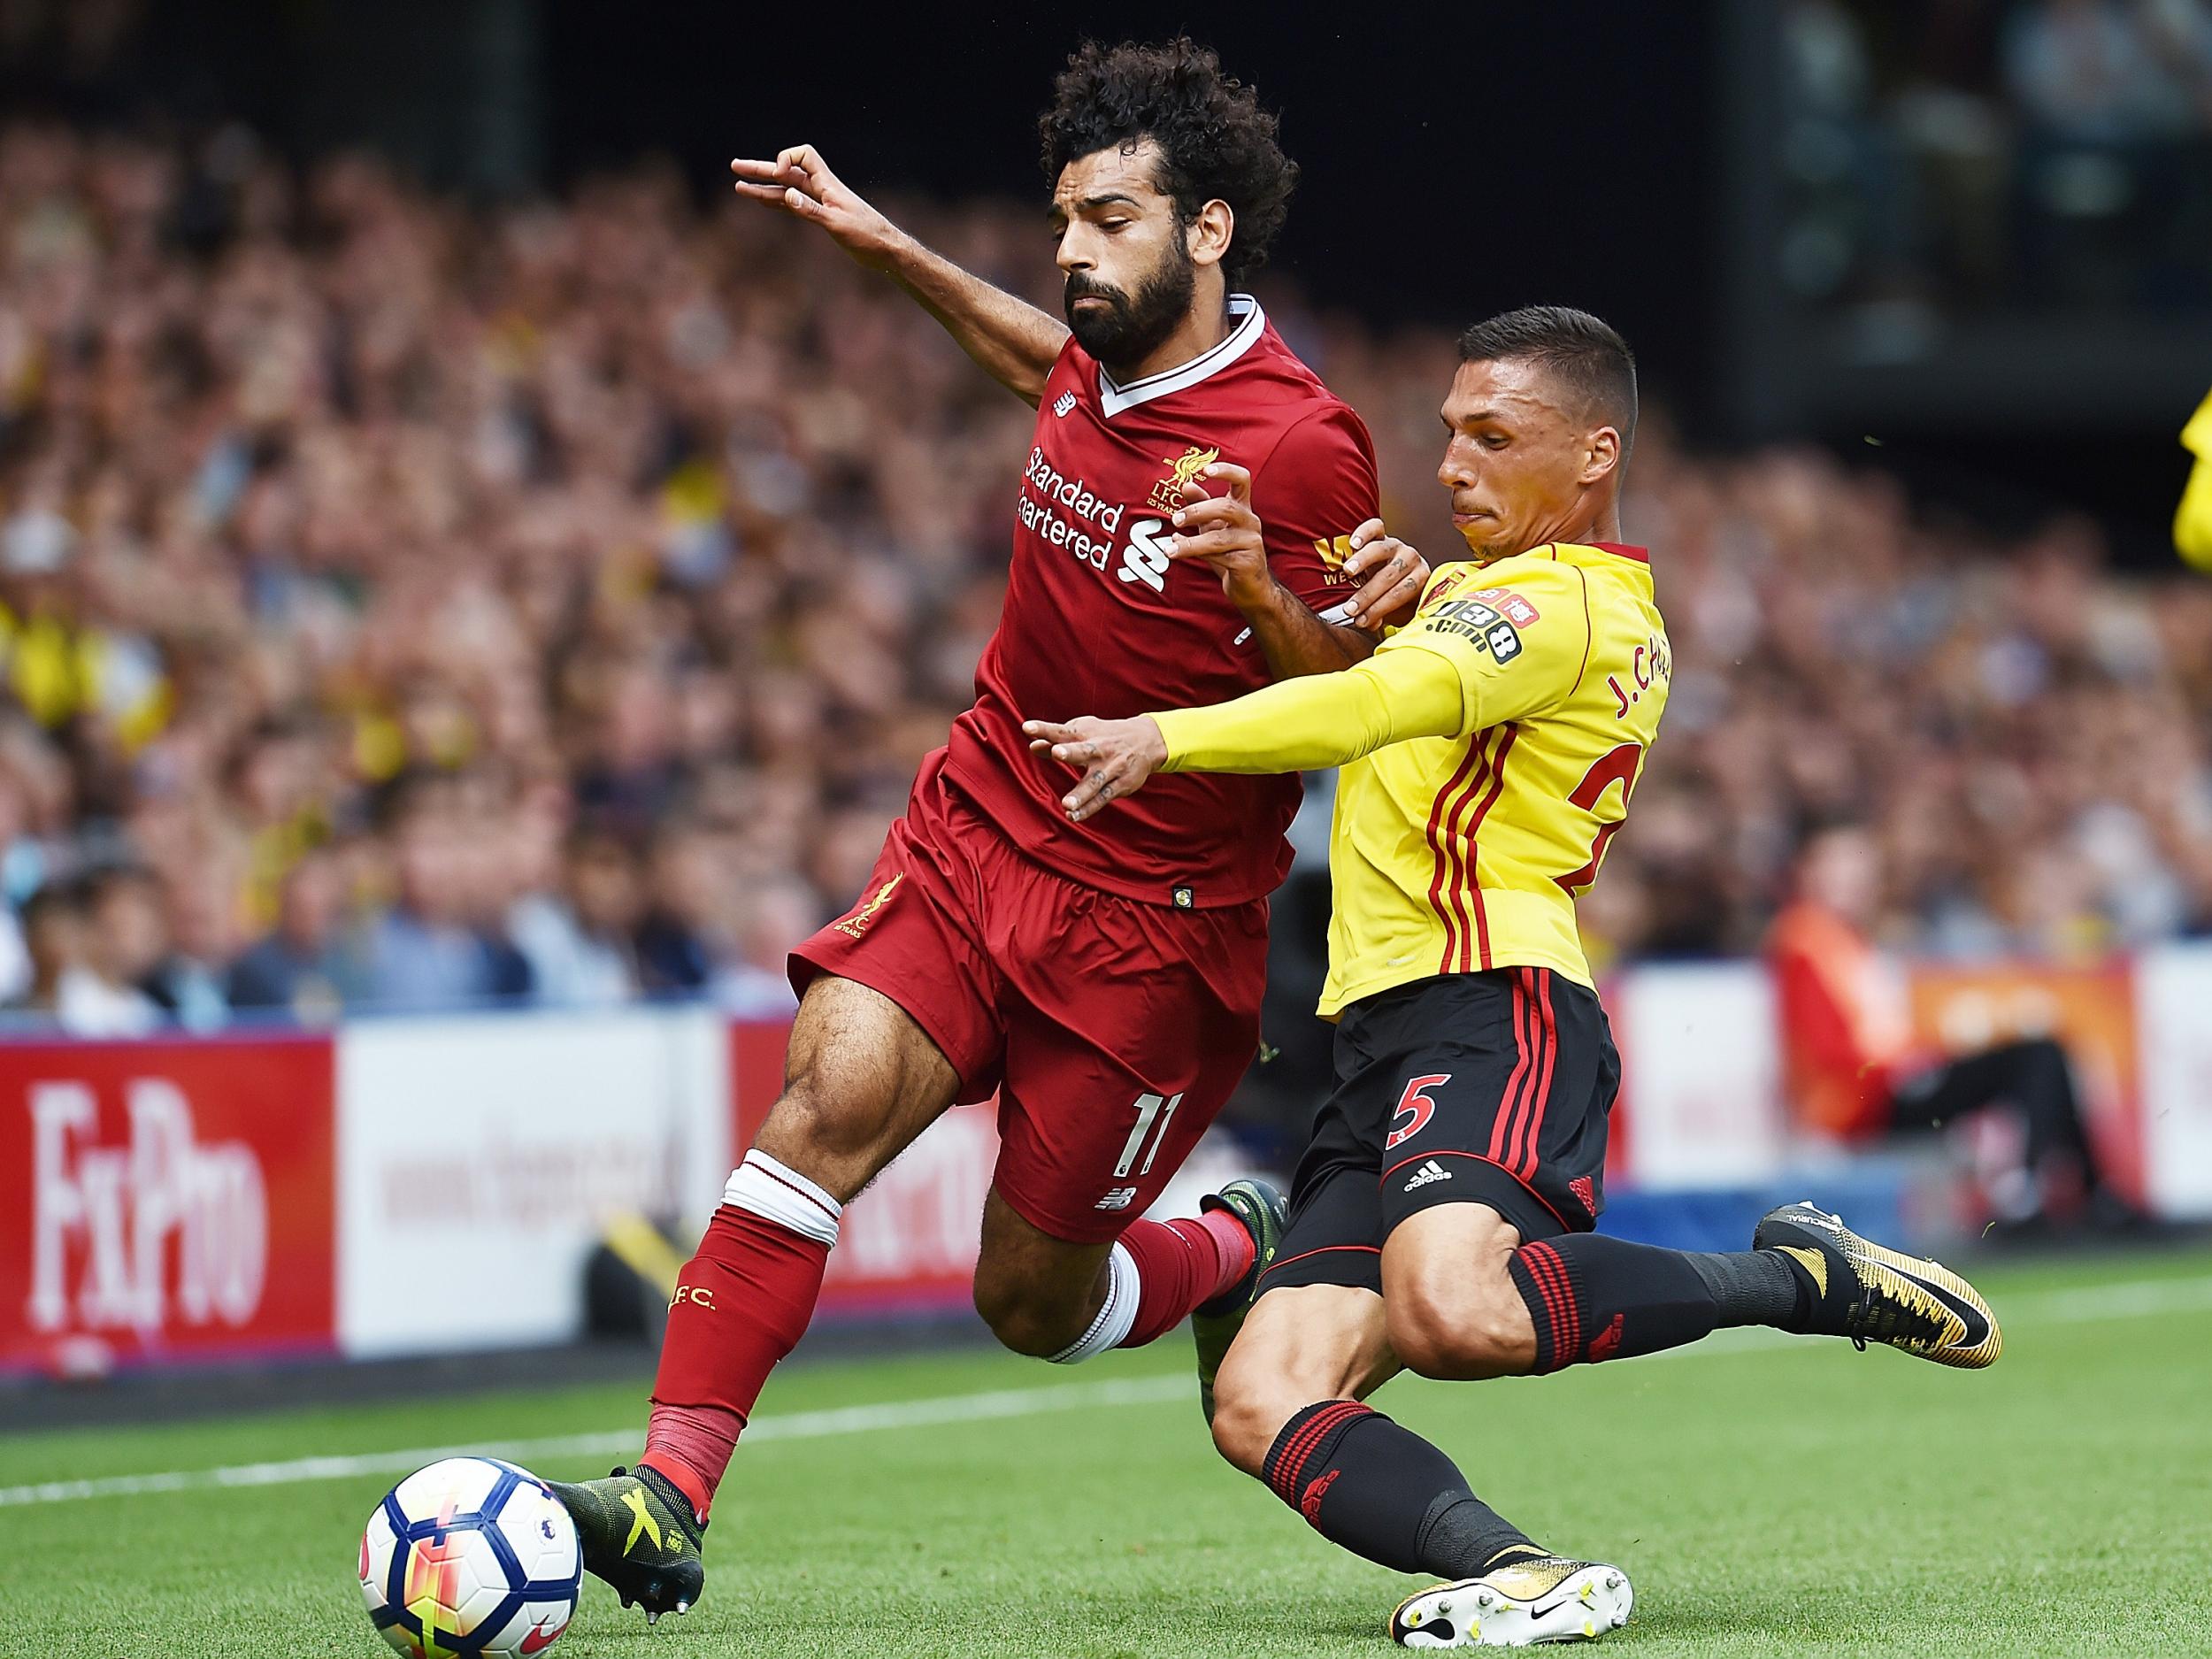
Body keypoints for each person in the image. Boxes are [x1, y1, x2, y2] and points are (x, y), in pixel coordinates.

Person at [548, 38, 1432, 1621]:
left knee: (1030, 1305)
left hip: (1155, 925)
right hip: (981, 829)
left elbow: (1367, 692)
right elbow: (1048, 372)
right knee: (825, 1100)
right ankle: (664, 1494)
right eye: (1066, 225)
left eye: (1111, 223)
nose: (1079, 255)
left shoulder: (1303, 444)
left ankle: (1234, 1241)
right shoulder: (1095, 358)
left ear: (1209, 229)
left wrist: (1254, 587)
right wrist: (888, 246)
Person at [1027, 307, 2001, 1649]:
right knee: (1261, 1393)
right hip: (1383, 1037)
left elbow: (1369, 708)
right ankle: (1523, 1569)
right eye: (1448, 432)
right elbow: (1378, 675)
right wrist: (1298, 592)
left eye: (1495, 437)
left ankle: (1802, 1279)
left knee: (1454, 1307)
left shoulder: (1566, 602)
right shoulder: (1487, 596)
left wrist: (1167, 735)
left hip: (1495, 1002)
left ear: (1594, 454)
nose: (1453, 465)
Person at [1769, 823, 2123, 1230]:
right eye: (1842, 863)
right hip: (1868, 1100)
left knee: (2042, 1054)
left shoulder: (1845, 938)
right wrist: (1911, 1062)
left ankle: (2077, 1192)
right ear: (1809, 870)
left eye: (1862, 864)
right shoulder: (1805, 937)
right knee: (2038, 1056)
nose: (1857, 878)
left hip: (1885, 1085)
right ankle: (2056, 1194)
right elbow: (1828, 1048)